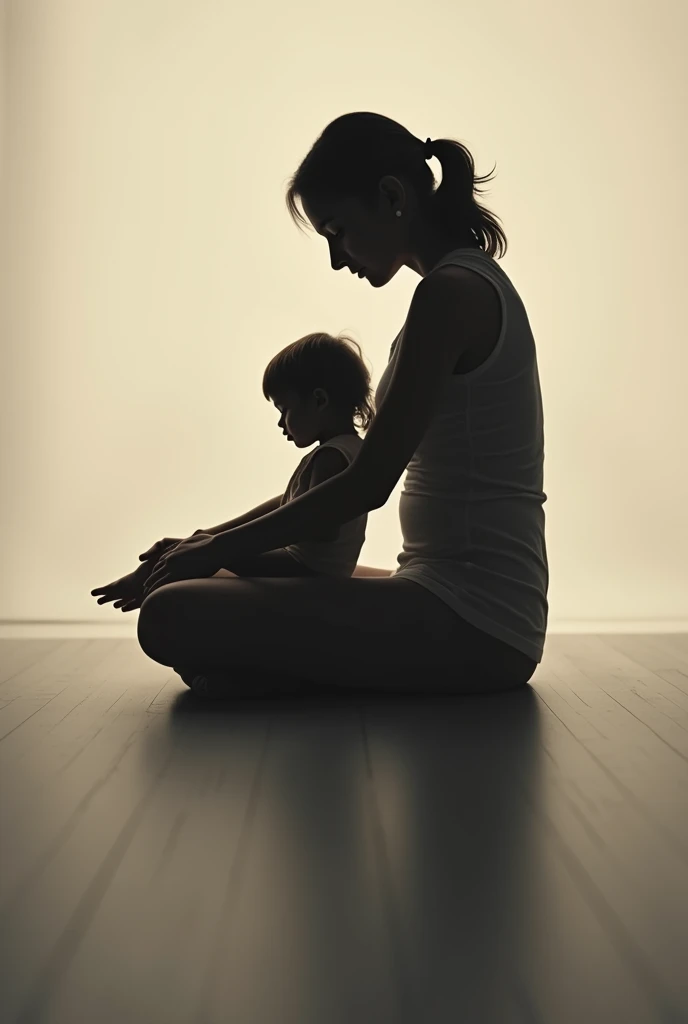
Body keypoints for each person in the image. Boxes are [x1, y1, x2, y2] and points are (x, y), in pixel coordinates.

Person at [130, 110, 549, 697]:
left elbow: (365, 486)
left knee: (170, 613)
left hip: (478, 621)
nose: (336, 257)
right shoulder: (454, 288)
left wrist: (212, 549)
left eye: (337, 231)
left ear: (390, 195)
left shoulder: (451, 295)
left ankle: (283, 674)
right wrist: (205, 541)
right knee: (207, 579)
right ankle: (287, 671)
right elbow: (337, 483)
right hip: (443, 595)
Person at [91, 332, 383, 613]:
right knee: (197, 548)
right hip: (313, 568)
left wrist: (220, 548)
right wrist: (207, 537)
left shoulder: (330, 457)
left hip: (307, 571)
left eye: (285, 409)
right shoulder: (349, 450)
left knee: (203, 559)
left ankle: (149, 576)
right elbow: (290, 505)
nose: (281, 423)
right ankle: (151, 573)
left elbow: (319, 527)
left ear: (319, 400)